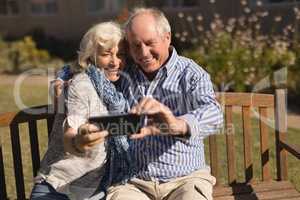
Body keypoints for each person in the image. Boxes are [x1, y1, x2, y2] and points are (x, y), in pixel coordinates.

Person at [103, 8, 224, 200]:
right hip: (134, 182)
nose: (143, 53)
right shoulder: (125, 74)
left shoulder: (191, 73)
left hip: (186, 180)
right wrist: (64, 77)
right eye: (136, 46)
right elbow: (90, 60)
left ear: (167, 38)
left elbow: (214, 115)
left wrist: (177, 124)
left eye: (150, 43)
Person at [30, 21, 135, 200]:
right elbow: (72, 128)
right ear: (91, 56)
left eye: (121, 55)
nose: (115, 62)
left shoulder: (122, 87)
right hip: (60, 185)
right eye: (106, 54)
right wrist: (79, 140)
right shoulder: (81, 84)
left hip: (98, 186)